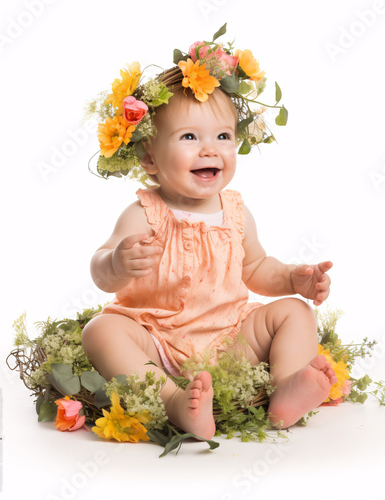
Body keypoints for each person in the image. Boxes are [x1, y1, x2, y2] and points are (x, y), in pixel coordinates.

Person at [81, 37, 337, 440]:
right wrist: (114, 264)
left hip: (231, 339)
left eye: (222, 136)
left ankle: (287, 387)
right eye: (188, 138)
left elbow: (254, 268)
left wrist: (292, 279)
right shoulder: (145, 213)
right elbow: (100, 266)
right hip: (157, 342)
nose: (209, 150)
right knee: (100, 331)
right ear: (149, 157)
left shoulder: (236, 212)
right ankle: (172, 401)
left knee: (296, 312)